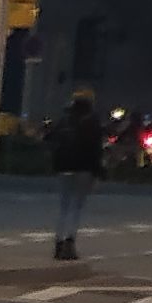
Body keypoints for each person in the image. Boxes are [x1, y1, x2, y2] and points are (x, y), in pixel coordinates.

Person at [47, 91, 104, 259]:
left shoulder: (65, 119)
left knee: (64, 207)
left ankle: (58, 242)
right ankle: (69, 242)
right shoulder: (92, 121)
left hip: (63, 167)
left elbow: (50, 139)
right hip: (83, 168)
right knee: (76, 206)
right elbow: (96, 150)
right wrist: (97, 173)